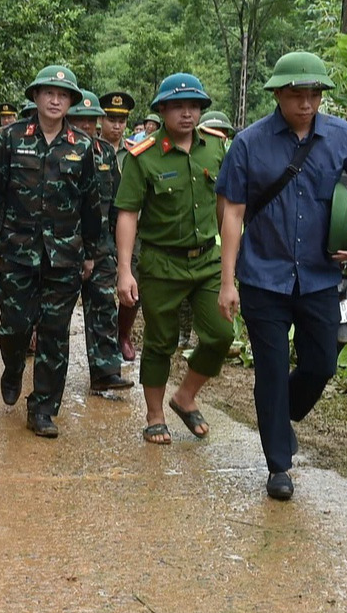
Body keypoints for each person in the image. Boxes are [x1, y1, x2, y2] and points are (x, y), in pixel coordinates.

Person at [215, 51, 347, 501]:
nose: (306, 103)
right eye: (296, 95)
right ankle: (278, 467)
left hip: (320, 275)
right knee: (270, 371)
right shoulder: (249, 143)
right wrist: (227, 281)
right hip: (262, 277)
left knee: (322, 364)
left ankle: (280, 414)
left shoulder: (342, 136)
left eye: (313, 94)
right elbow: (231, 212)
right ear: (277, 94)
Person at [0, 65, 103, 438]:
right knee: (14, 326)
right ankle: (14, 366)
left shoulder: (81, 146)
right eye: (48, 93)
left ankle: (43, 407)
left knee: (54, 333)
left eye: (62, 95)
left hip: (64, 256)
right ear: (35, 96)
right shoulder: (10, 139)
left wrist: (92, 252)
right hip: (17, 252)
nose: (54, 100)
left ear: (70, 103)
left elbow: (90, 203)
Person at [114, 73, 232, 445]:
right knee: (160, 341)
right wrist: (124, 271)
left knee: (220, 334)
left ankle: (185, 397)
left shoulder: (215, 148)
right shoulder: (142, 155)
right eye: (178, 106)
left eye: (194, 106)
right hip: (161, 263)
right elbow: (128, 214)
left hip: (207, 261)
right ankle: (154, 414)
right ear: (162, 110)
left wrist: (230, 267)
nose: (187, 113)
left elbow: (225, 207)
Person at [69, 90, 133, 392]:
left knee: (104, 308)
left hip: (102, 247)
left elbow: (120, 205)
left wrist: (120, 257)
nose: (86, 127)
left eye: (90, 121)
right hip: (64, 248)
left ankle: (105, 370)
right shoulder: (58, 152)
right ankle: (47, 376)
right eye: (78, 121)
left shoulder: (106, 154)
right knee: (53, 317)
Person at [99, 91, 140, 361]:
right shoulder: (88, 148)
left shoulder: (135, 154)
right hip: (99, 225)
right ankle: (101, 339)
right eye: (112, 119)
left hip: (129, 227)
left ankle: (122, 333)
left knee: (134, 282)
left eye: (122, 120)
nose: (117, 125)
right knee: (101, 287)